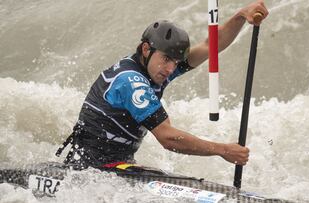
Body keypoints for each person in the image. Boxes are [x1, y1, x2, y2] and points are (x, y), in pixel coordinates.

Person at [56, 0, 269, 170]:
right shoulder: (131, 82)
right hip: (89, 169)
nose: (170, 69)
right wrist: (222, 150)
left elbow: (210, 45)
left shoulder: (155, 69)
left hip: (118, 165)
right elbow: (168, 138)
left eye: (175, 63)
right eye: (166, 59)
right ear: (146, 49)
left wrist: (241, 15)